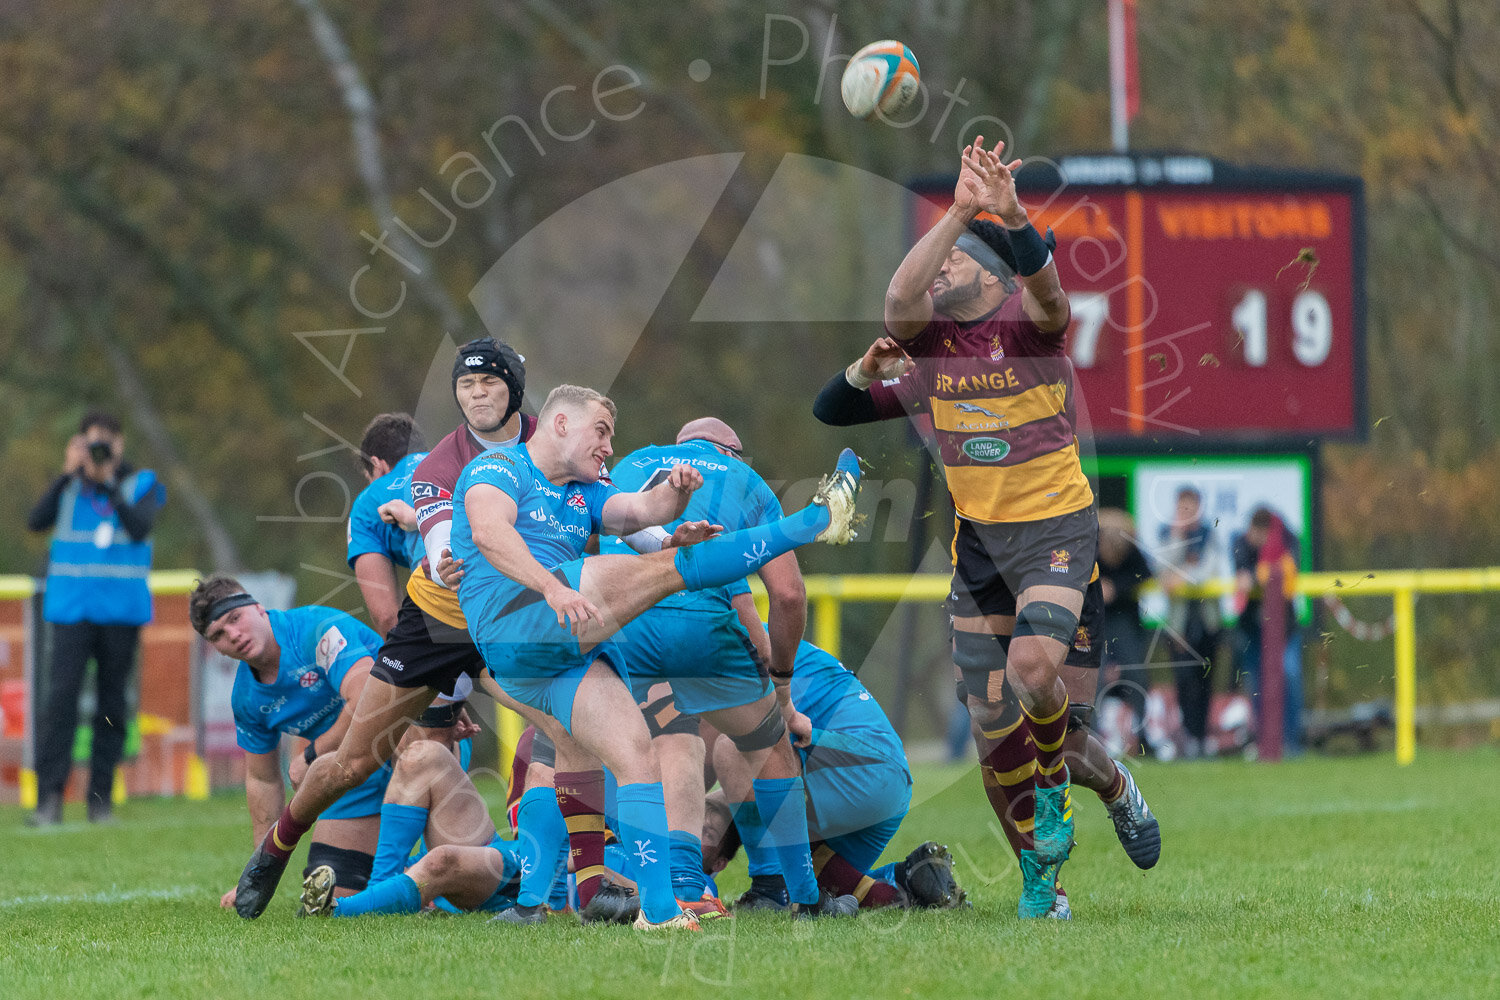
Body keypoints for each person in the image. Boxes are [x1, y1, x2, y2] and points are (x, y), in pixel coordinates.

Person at [812, 137, 1158, 916]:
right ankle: (1044, 878)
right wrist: (959, 214)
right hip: (981, 552)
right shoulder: (927, 347)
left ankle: (1101, 789)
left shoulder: (1032, 331)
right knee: (992, 722)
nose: (941, 268)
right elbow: (838, 397)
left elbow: (1054, 297)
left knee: (1045, 698)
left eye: (958, 259)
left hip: (1056, 535)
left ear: (995, 275)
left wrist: (1007, 213)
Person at [449, 384, 863, 927]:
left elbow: (641, 510)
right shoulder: (499, 468)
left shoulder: (586, 492)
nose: (608, 447)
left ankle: (622, 911)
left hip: (556, 655)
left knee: (632, 756)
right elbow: (489, 533)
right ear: (559, 425)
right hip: (516, 621)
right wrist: (552, 589)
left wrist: (676, 498)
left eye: (612, 437)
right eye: (600, 431)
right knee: (675, 579)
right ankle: (810, 523)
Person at [228, 337, 582, 920]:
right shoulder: (436, 465)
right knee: (354, 761)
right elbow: (404, 596)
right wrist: (445, 689)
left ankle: (562, 888)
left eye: (490, 382)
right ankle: (274, 850)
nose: (477, 394)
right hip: (437, 623)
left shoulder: (555, 444)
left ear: (516, 390)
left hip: (507, 620)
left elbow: (598, 512)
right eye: (466, 385)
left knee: (567, 733)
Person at [603, 418, 842, 920]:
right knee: (768, 746)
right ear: (733, 453)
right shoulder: (746, 482)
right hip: (698, 627)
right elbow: (789, 596)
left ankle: (670, 884)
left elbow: (593, 543)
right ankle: (804, 895)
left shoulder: (630, 463)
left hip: (622, 621)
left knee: (670, 739)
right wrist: (781, 687)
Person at [701, 639, 964, 912]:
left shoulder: (719, 641)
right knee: (806, 876)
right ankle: (905, 883)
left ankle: (769, 890)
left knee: (731, 747)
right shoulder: (744, 630)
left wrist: (671, 848)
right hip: (883, 783)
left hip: (859, 768)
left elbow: (703, 761)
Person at [188, 576, 391, 906]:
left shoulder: (315, 629)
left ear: (258, 608)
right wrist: (261, 868)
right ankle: (404, 874)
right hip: (348, 776)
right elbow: (262, 779)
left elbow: (369, 697)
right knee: (330, 896)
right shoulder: (245, 697)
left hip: (407, 740)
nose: (233, 636)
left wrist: (312, 755)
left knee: (444, 876)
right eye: (219, 636)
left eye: (235, 619)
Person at [25, 411, 166, 826]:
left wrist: (108, 484)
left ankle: (100, 799)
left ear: (121, 444)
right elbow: (36, 521)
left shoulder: (142, 483)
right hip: (71, 611)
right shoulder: (67, 487)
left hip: (120, 613)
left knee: (111, 707)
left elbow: (140, 528)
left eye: (106, 442)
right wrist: (65, 475)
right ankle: (49, 799)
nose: (100, 450)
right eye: (92, 443)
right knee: (60, 703)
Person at [1156, 486, 1227, 759]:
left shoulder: (1210, 534)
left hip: (1207, 621)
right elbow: (1161, 568)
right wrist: (1176, 536)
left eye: (1191, 507)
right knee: (1183, 680)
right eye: (1182, 507)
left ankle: (1201, 735)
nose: (1186, 513)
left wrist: (1182, 576)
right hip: (1179, 623)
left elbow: (1210, 571)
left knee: (1205, 679)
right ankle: (1188, 735)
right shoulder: (1168, 533)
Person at [346, 413, 428, 637]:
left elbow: (386, 616)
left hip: (443, 589)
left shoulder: (367, 503)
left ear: (377, 464)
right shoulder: (459, 461)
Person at [1232, 507, 1304, 757]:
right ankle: (1265, 741)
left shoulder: (1288, 541)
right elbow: (1243, 575)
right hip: (1253, 630)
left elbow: (1281, 573)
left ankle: (1291, 741)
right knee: (1256, 683)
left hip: (1285, 629)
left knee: (1290, 676)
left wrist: (1255, 576)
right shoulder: (1241, 543)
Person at [1094, 507, 1155, 756]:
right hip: (1096, 622)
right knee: (1094, 679)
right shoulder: (1089, 549)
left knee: (1136, 676)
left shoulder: (1130, 549)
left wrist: (1115, 588)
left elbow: (1146, 575)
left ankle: (1141, 735)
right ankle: (1092, 737)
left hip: (1125, 622)